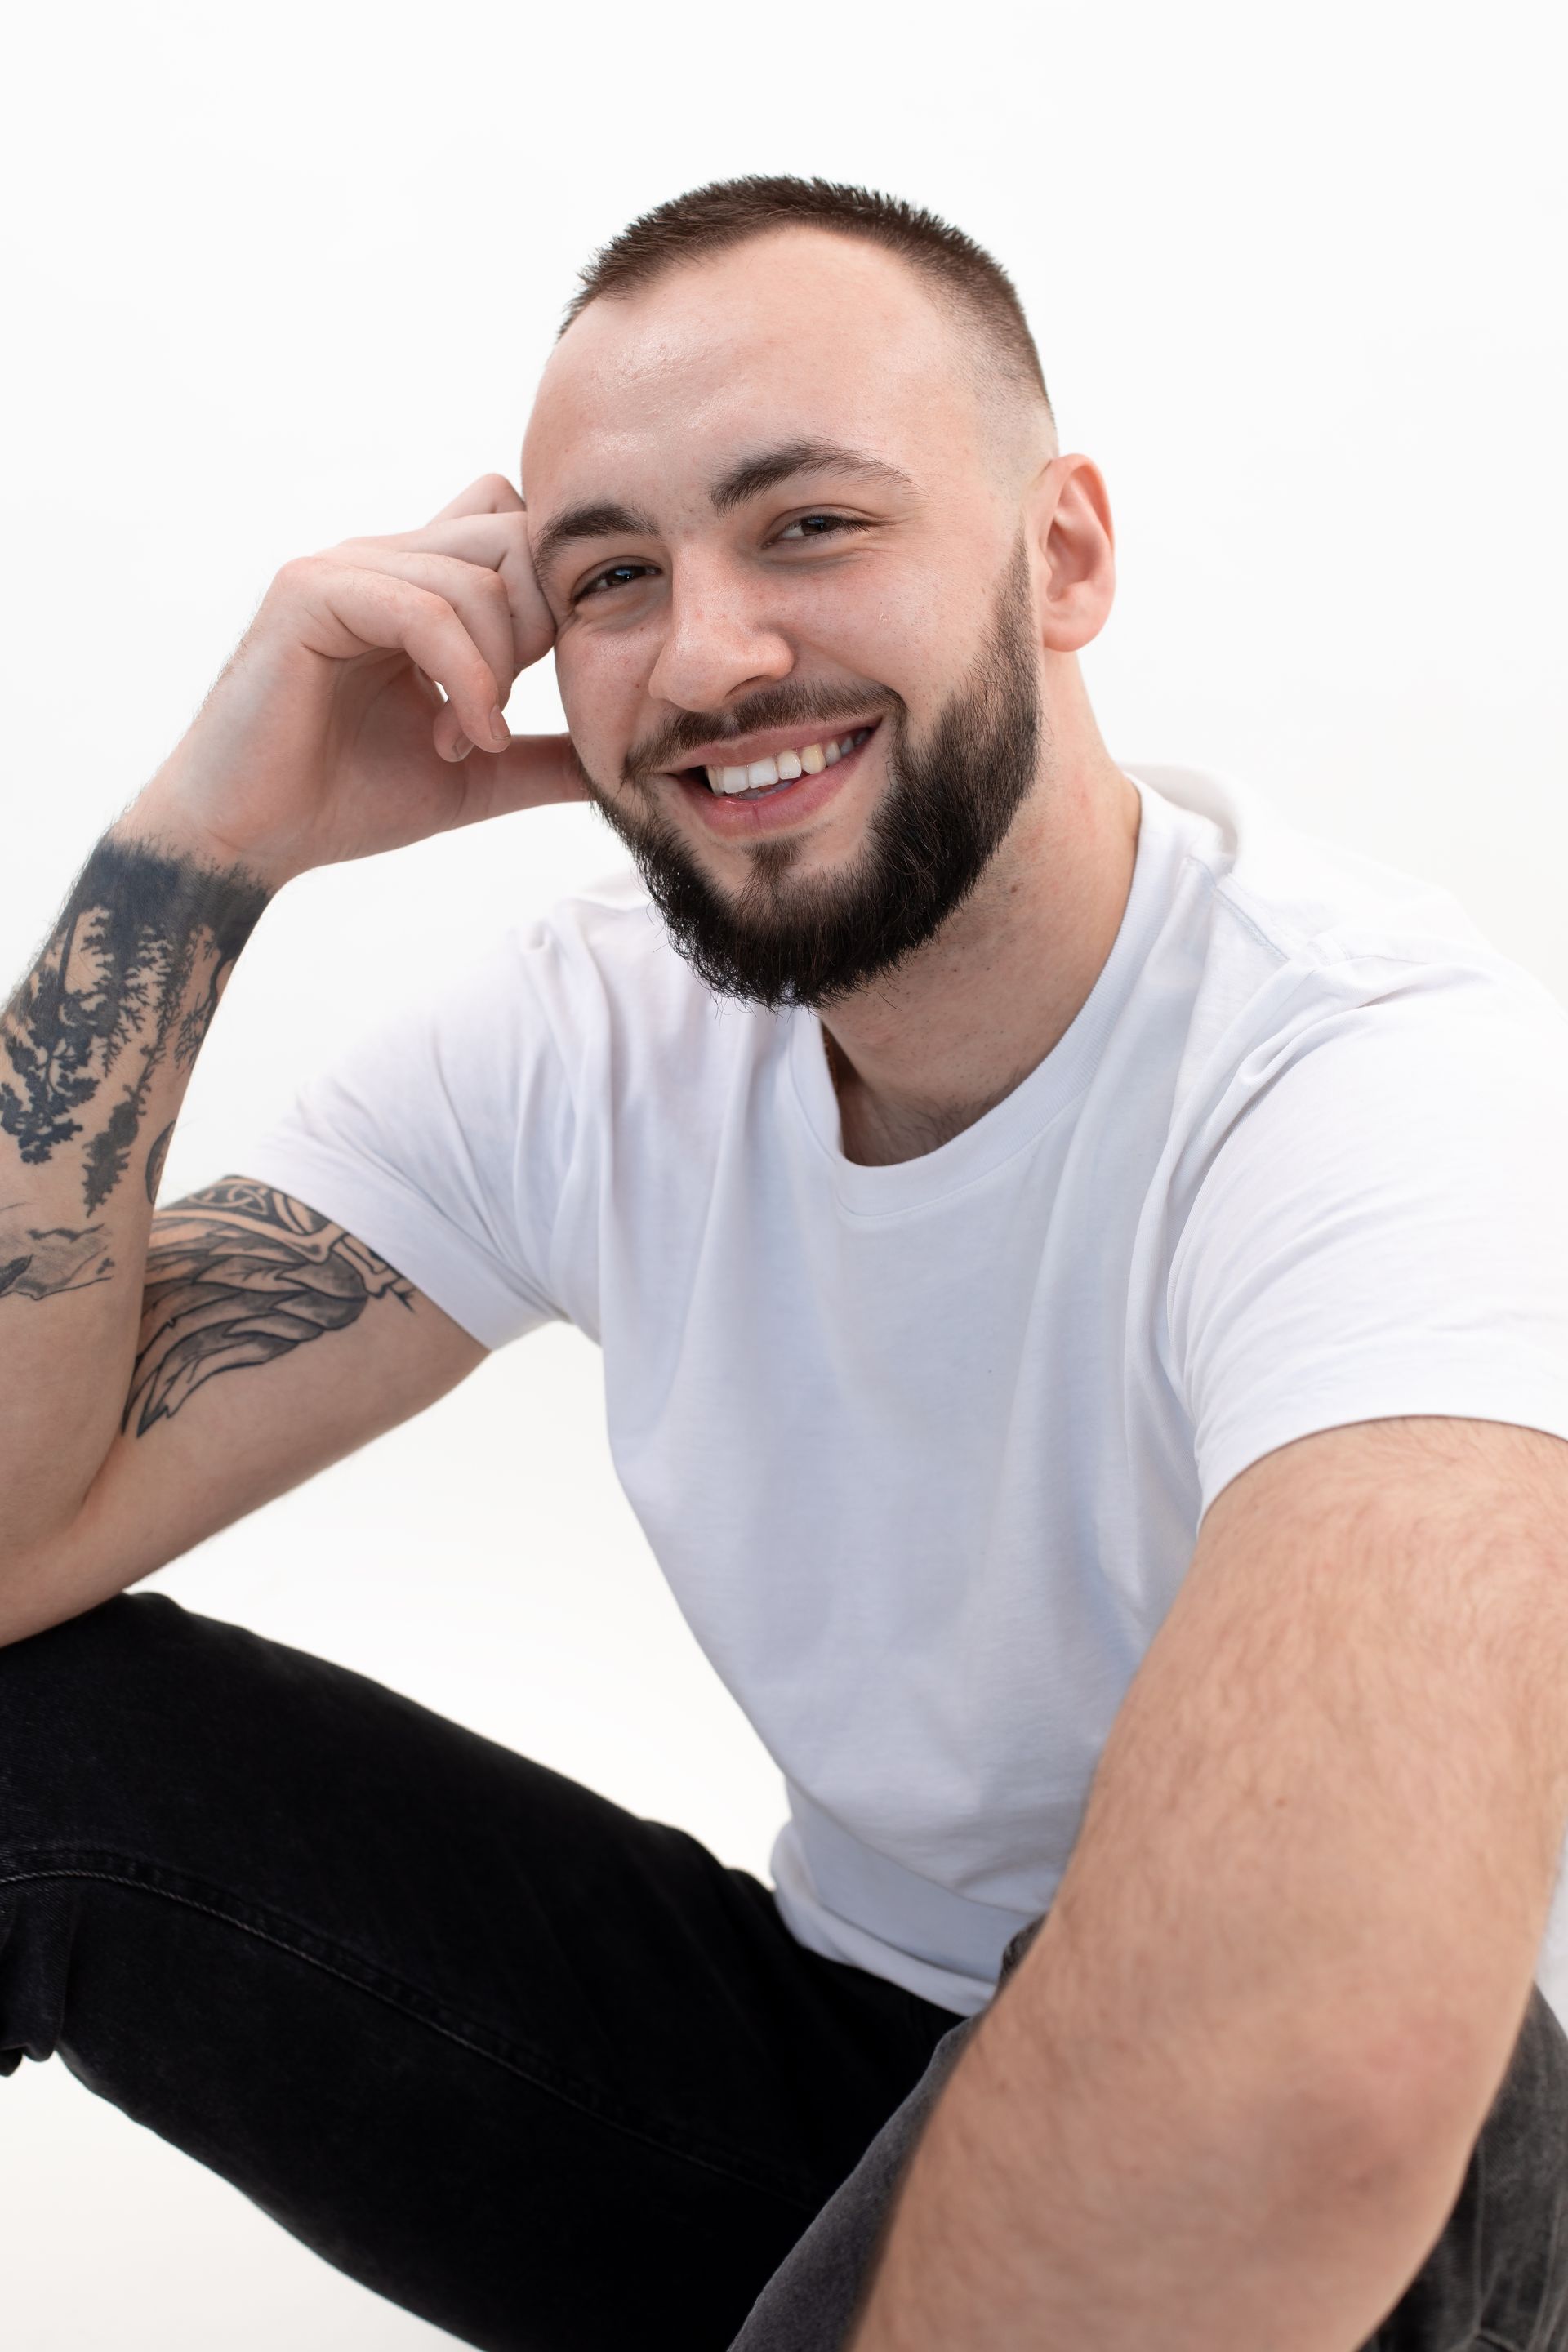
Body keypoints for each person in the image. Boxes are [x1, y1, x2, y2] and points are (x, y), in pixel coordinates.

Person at [2, 173, 1568, 2352]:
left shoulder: (1387, 1090)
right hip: (834, 2069)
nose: (711, 651)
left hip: (1384, 2230)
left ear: (1064, 556)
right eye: (612, 577)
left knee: (1352, 2027)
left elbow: (1319, 2076)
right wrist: (199, 844)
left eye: (809, 526)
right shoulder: (592, 1034)